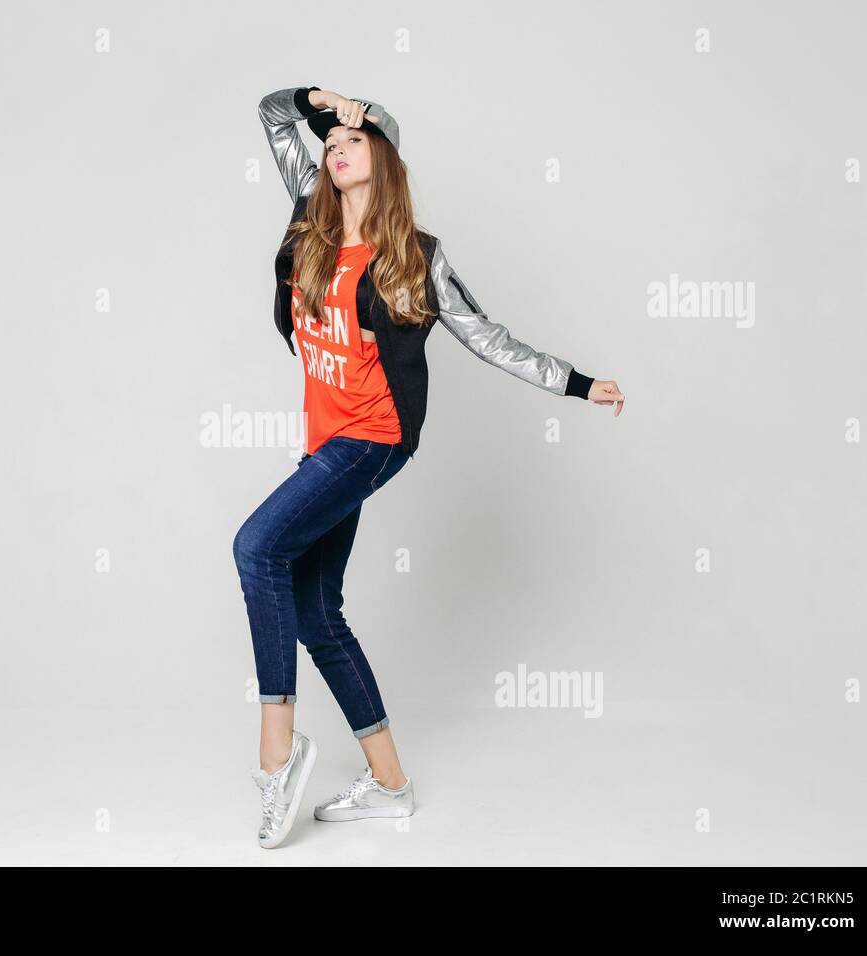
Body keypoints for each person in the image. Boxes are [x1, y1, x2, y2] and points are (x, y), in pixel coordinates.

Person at [236, 86, 626, 849]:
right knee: (317, 613)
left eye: (353, 139)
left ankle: (276, 758)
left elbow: (489, 336)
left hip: (373, 438)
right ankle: (390, 785)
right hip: (324, 443)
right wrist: (319, 97)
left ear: (382, 155)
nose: (336, 148)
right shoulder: (307, 231)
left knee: (256, 550)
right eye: (331, 144)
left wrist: (576, 382)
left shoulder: (416, 256)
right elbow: (273, 115)